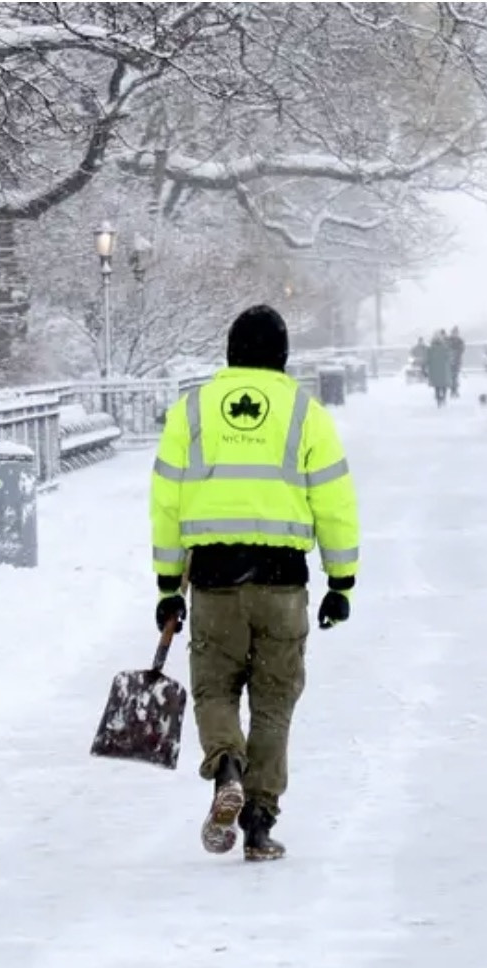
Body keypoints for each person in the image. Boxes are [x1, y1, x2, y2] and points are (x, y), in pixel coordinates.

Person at [149, 304, 360, 862]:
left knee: (215, 688)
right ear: (283, 356)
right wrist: (342, 580)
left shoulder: (190, 411)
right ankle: (259, 824)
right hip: (281, 584)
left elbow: (166, 504)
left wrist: (169, 585)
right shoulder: (305, 413)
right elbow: (335, 502)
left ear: (230, 353)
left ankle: (226, 767)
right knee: (273, 701)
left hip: (214, 581)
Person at [427, 328, 454, 406]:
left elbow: (428, 358)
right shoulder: (445, 348)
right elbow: (449, 357)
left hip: (435, 370)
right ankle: (444, 398)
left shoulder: (431, 349)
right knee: (444, 384)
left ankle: (438, 398)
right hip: (444, 370)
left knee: (437, 385)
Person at [447, 326, 466, 397]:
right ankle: (453, 390)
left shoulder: (460, 341)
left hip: (457, 361)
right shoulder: (448, 340)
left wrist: (456, 353)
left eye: (456, 333)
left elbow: (462, 349)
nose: (455, 334)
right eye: (454, 333)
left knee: (455, 376)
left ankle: (454, 390)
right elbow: (445, 349)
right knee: (451, 376)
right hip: (449, 362)